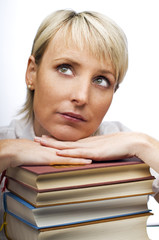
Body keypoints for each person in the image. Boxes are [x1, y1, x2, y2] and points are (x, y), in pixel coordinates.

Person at [0, 9, 159, 239]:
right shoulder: (5, 142)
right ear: (32, 73)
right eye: (65, 68)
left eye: (101, 80)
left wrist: (147, 145)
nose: (82, 97)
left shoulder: (128, 146)